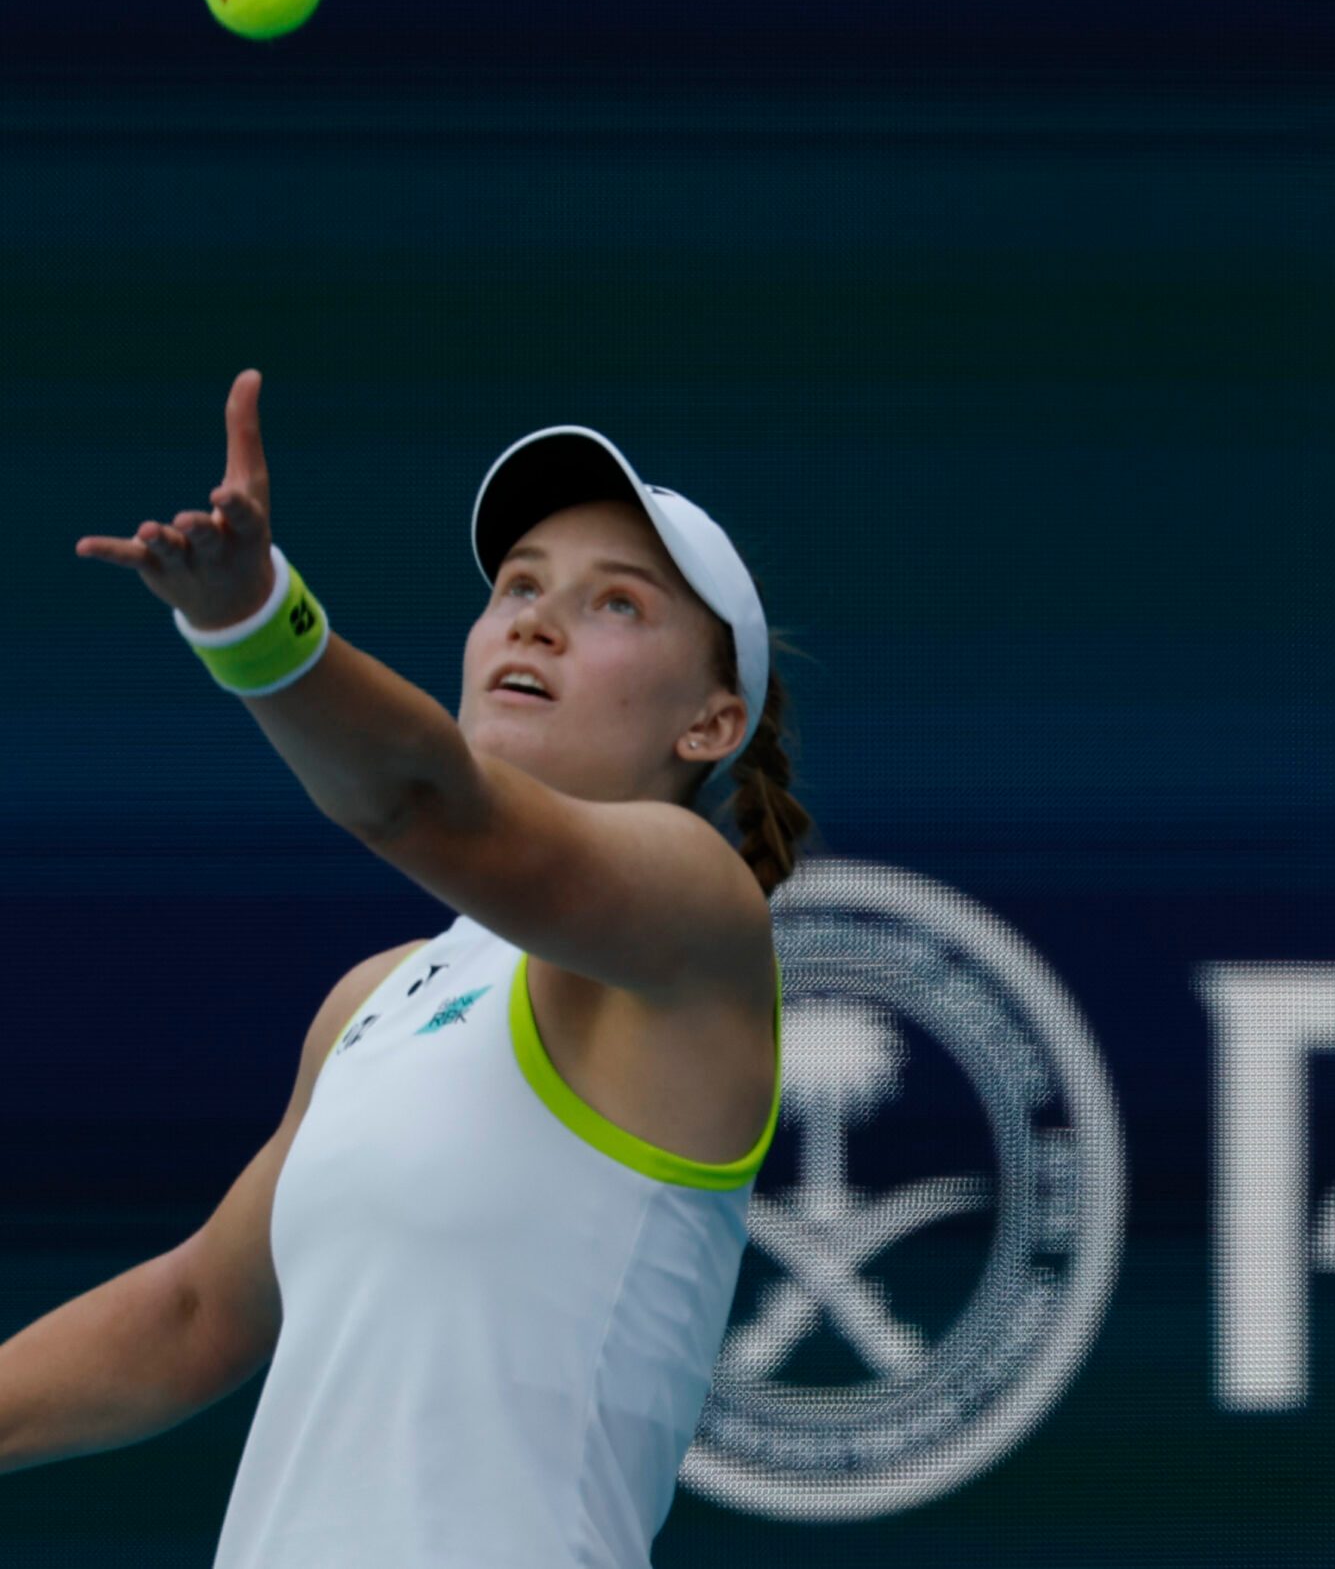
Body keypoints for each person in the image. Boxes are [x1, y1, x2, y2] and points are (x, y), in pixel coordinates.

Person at [5, 367, 814, 1566]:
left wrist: (252, 619)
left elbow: (424, 803)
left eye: (617, 608)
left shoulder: (698, 914)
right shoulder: (373, 1002)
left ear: (708, 725)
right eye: (519, 587)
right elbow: (192, 1314)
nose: (535, 619)